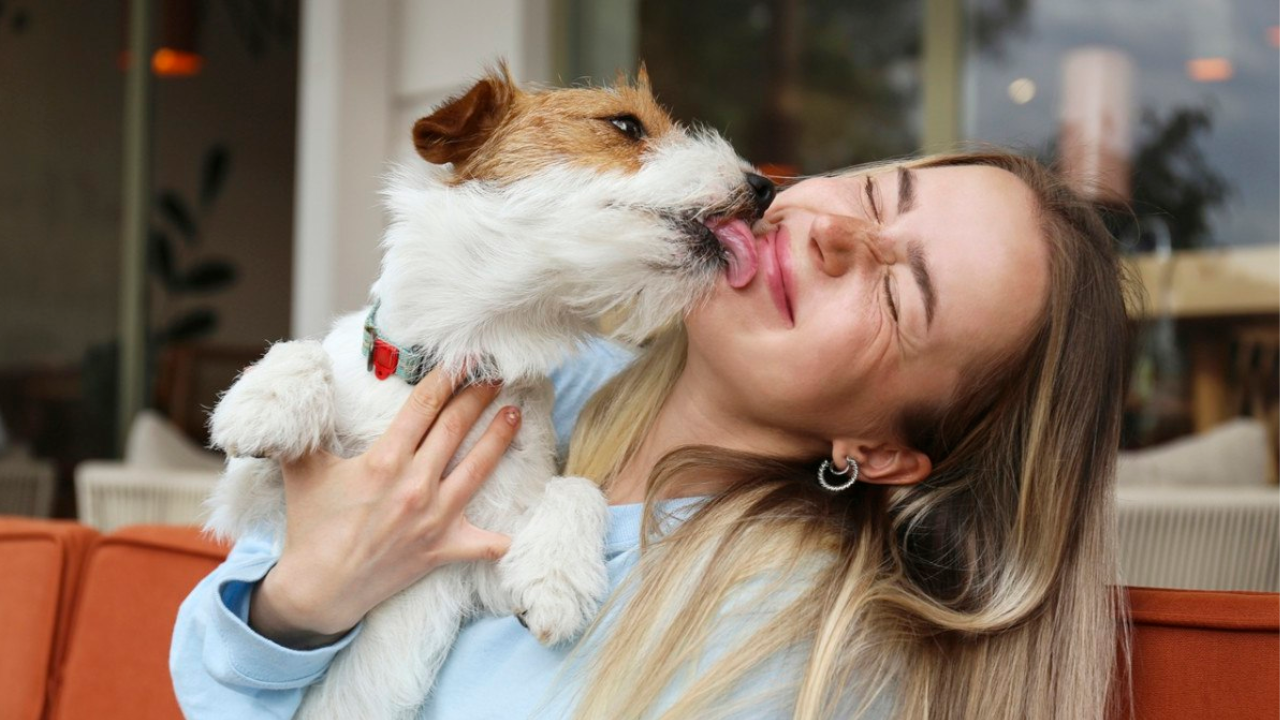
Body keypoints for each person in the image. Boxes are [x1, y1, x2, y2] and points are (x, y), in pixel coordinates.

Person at [171, 150, 1133, 720]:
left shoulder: (791, 645)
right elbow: (200, 681)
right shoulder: (540, 377)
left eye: (898, 292)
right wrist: (305, 601)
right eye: (879, 193)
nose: (840, 234)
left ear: (879, 452)